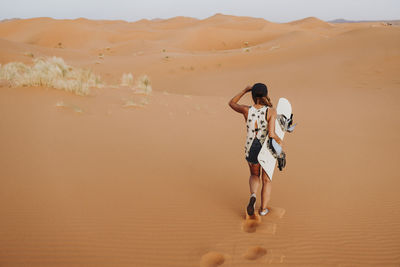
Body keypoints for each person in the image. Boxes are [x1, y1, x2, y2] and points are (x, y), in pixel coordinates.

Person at [228, 83, 283, 216]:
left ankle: (253, 195)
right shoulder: (271, 111)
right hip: (265, 149)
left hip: (251, 147)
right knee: (266, 180)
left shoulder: (246, 110)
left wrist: (244, 90)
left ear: (252, 95)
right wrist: (279, 141)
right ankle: (263, 210)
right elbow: (271, 134)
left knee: (254, 175)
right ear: (265, 95)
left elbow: (231, 103)